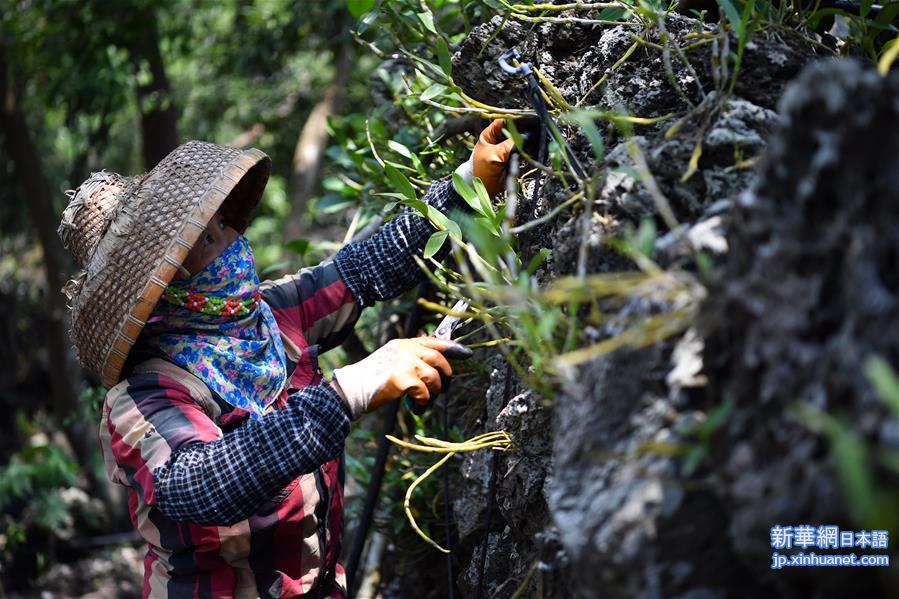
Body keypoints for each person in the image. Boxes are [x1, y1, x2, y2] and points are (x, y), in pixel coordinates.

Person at [56, 119, 515, 598]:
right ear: (167, 288)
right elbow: (198, 481)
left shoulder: (266, 318)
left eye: (222, 225)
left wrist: (467, 187)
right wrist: (349, 392)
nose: (233, 243)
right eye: (208, 242)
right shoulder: (143, 399)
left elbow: (359, 272)